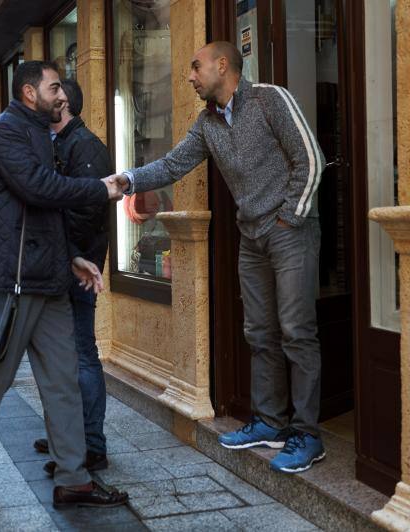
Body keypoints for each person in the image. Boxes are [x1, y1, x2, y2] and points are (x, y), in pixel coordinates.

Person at [111, 41, 325, 474]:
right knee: (259, 332)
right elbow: (173, 165)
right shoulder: (208, 123)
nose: (190, 75)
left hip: (289, 235)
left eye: (196, 66)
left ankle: (307, 434)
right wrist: (128, 180)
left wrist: (289, 218)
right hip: (252, 238)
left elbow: (312, 161)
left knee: (297, 332)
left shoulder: (269, 99)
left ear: (222, 65)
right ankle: (269, 421)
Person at [0, 60, 129, 508]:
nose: (62, 95)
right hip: (13, 280)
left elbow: (42, 213)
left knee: (63, 379)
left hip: (47, 278)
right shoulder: (6, 131)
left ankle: (74, 477)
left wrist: (73, 258)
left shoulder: (39, 133)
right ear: (31, 93)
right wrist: (98, 189)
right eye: (55, 88)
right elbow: (39, 188)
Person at [32, 79, 114, 477]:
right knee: (65, 358)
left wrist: (74, 259)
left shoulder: (85, 147)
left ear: (62, 104)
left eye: (50, 93)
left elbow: (87, 210)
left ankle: (92, 445)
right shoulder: (58, 144)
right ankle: (70, 437)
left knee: (82, 356)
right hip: (63, 266)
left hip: (80, 270)